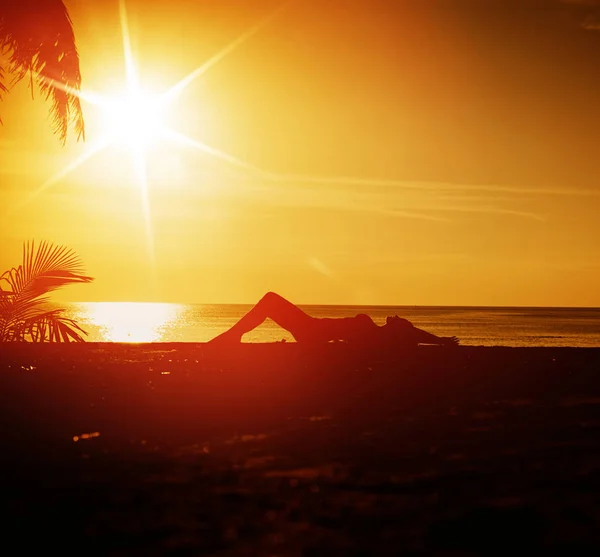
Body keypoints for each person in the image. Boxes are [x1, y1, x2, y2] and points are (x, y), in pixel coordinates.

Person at [209, 292, 459, 348]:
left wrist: (441, 342)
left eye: (398, 318)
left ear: (396, 328)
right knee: (269, 301)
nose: (395, 315)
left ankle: (234, 335)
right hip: (312, 327)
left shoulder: (370, 332)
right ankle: (234, 334)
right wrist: (441, 341)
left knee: (270, 300)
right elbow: (415, 334)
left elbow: (414, 334)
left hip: (311, 330)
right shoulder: (371, 330)